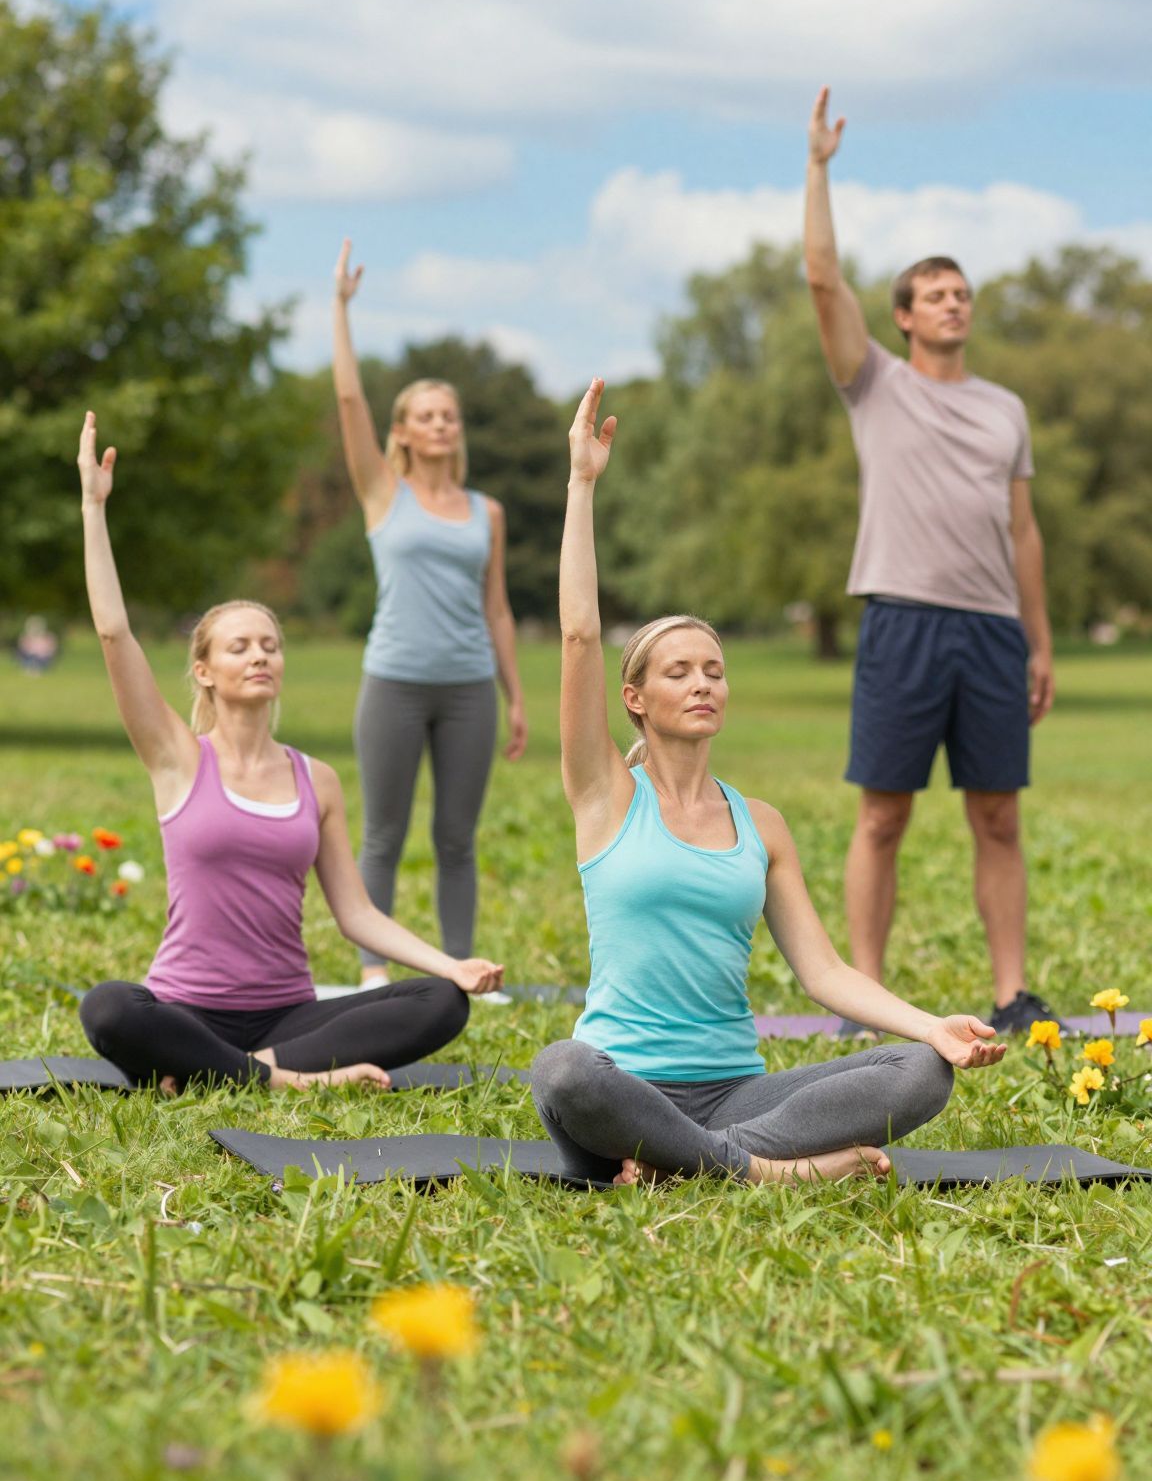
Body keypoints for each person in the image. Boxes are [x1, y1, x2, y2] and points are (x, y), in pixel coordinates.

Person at [529, 381, 1005, 1188]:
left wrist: (936, 1026)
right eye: (679, 672)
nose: (703, 683)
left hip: (738, 1092)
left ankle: (698, 1162)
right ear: (636, 700)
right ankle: (769, 1173)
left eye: (714, 669)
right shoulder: (606, 796)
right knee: (563, 1071)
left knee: (920, 1071)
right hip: (625, 1085)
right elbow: (579, 636)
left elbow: (824, 975)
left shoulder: (763, 824)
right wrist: (582, 484)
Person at [76, 412, 503, 1093]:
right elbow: (112, 633)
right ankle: (285, 1081)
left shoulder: (317, 779)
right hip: (186, 1009)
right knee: (108, 1008)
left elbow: (355, 914)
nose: (259, 656)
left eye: (269, 645)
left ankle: (244, 1073)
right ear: (206, 670)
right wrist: (94, 510)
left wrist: (446, 964)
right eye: (239, 646)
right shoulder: (178, 758)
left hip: (288, 1017)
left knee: (439, 1003)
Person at [804, 89, 1058, 1038]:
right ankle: (864, 998)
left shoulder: (1006, 409)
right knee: (883, 819)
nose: (954, 303)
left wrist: (1037, 641)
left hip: (993, 632)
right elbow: (823, 277)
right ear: (904, 317)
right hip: (903, 620)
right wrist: (820, 165)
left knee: (998, 818)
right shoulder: (876, 385)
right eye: (936, 294)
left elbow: (1022, 531)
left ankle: (1012, 991)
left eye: (963, 294)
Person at [332, 239, 526, 986]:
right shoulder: (384, 492)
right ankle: (373, 972)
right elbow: (349, 401)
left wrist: (514, 697)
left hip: (469, 687)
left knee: (457, 838)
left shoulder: (488, 511)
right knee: (381, 833)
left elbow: (499, 609)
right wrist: (341, 312)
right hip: (395, 681)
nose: (441, 423)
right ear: (403, 430)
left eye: (449, 414)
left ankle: (459, 967)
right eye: (425, 414)